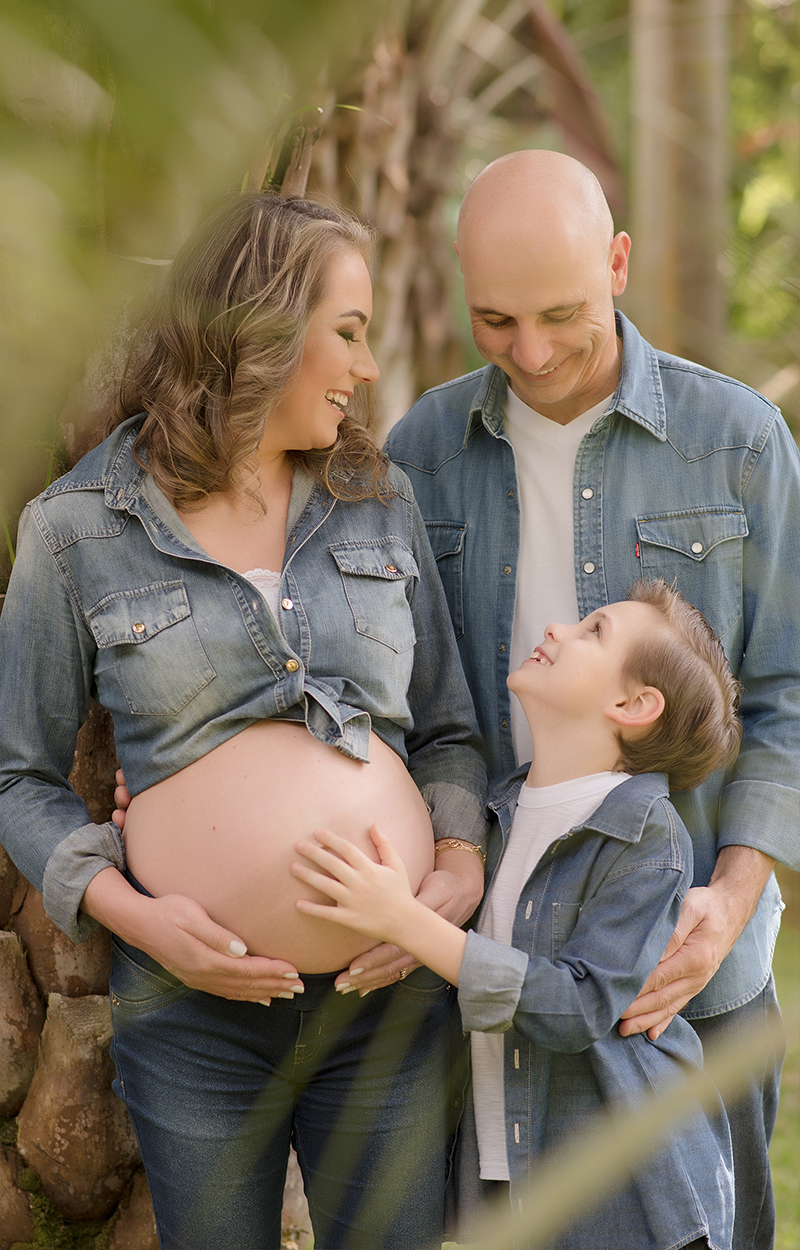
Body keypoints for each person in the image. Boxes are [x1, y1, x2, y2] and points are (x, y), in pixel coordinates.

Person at [0, 192, 489, 1249]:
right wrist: (136, 914)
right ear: (260, 327)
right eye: (348, 333)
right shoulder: (78, 529)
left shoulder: (378, 499)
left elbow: (447, 729)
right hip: (192, 1014)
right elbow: (19, 780)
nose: (366, 369)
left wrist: (452, 873)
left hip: (385, 998)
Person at [384, 149, 800, 1249]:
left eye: (560, 314)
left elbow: (785, 690)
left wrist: (732, 886)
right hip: (500, 971)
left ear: (617, 264)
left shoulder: (739, 442)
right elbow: (421, 701)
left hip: (691, 972)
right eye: (494, 320)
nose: (530, 353)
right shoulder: (420, 452)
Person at [291, 579, 740, 1250]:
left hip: (619, 1190)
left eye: (594, 632)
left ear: (634, 703)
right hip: (503, 1178)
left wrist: (406, 921)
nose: (561, 629)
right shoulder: (491, 815)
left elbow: (575, 1006)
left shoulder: (647, 834)